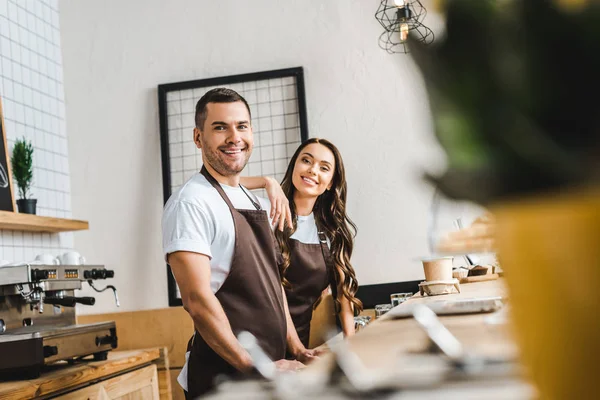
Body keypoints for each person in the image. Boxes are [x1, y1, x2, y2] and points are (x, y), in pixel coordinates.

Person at [162, 88, 316, 398]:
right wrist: (256, 366)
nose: (234, 137)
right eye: (220, 127)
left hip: (271, 372)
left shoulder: (256, 203)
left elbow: (272, 286)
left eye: (242, 126)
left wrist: (297, 348)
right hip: (226, 381)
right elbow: (197, 301)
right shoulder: (190, 203)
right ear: (197, 137)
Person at [242, 138, 363, 349]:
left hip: (299, 346)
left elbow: (343, 297)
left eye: (324, 168)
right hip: (252, 342)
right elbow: (221, 183)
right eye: (306, 161)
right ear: (294, 166)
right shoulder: (263, 212)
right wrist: (267, 182)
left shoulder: (330, 234)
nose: (312, 170)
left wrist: (351, 344)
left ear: (331, 183)